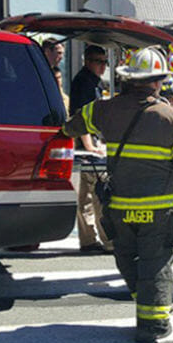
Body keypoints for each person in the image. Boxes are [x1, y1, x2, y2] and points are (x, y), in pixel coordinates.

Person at [62, 47, 173, 343]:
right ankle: (154, 324)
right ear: (158, 82)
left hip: (120, 208)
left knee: (126, 257)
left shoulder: (105, 109)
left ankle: (149, 297)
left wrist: (55, 126)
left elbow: (71, 126)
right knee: (156, 263)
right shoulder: (170, 117)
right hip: (160, 210)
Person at [70, 45, 111, 253]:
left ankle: (88, 240)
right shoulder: (85, 83)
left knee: (87, 194)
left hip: (89, 142)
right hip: (88, 145)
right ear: (87, 60)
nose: (103, 65)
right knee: (99, 194)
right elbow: (82, 115)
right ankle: (108, 241)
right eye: (99, 61)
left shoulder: (89, 81)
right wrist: (90, 146)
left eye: (105, 61)